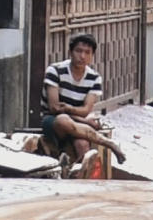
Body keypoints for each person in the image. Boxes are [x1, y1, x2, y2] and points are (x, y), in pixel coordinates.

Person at [36, 32, 107, 170]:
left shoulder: (94, 78)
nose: (82, 56)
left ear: (92, 55)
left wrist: (68, 109)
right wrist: (84, 120)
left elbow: (86, 110)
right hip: (52, 121)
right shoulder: (55, 70)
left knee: (82, 144)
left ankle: (82, 176)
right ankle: (108, 144)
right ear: (70, 52)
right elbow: (54, 108)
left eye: (87, 52)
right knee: (63, 119)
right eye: (78, 51)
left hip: (77, 123)